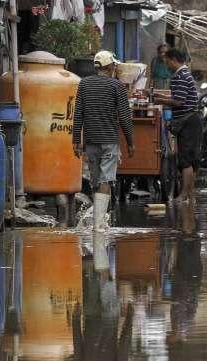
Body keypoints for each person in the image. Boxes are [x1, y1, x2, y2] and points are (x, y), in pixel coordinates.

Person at [73, 50, 134, 232]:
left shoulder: (83, 84)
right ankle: (99, 224)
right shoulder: (117, 86)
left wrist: (76, 140)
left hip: (90, 141)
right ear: (110, 67)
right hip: (109, 141)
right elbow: (124, 117)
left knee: (95, 181)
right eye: (114, 65)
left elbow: (78, 114)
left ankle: (97, 221)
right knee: (106, 179)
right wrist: (130, 142)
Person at [153, 48, 201, 203]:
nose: (166, 64)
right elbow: (179, 96)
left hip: (187, 122)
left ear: (173, 59)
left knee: (185, 160)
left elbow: (178, 101)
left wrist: (159, 100)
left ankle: (184, 195)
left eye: (167, 61)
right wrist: (158, 95)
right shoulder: (185, 74)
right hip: (192, 121)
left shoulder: (179, 76)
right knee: (191, 160)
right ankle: (190, 195)